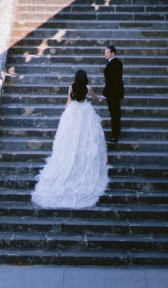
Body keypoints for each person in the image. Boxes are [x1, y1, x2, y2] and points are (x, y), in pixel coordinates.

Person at [31, 69, 109, 209]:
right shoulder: (88, 88)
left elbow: (68, 101)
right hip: (86, 113)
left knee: (69, 138)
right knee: (87, 137)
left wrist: (67, 113)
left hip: (73, 112)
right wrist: (100, 99)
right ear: (85, 78)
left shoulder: (71, 87)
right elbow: (96, 99)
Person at [103, 44, 125, 143]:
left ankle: (114, 135)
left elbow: (111, 82)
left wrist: (104, 94)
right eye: (105, 53)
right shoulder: (115, 63)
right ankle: (115, 133)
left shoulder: (115, 64)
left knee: (114, 114)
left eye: (107, 53)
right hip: (114, 93)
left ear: (113, 53)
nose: (105, 55)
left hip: (113, 94)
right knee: (115, 114)